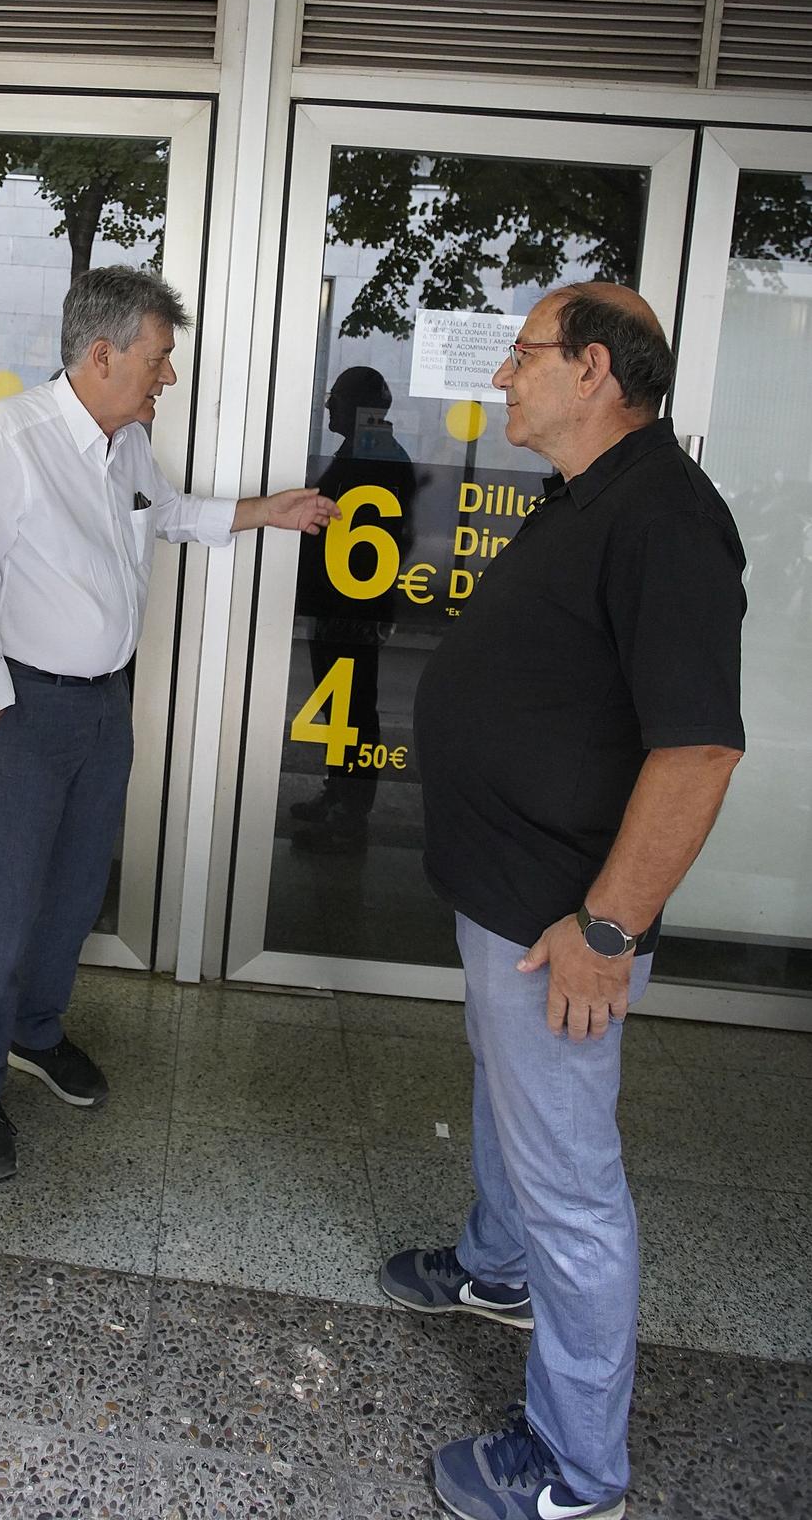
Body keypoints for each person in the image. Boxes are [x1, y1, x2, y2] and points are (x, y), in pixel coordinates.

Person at [380, 283, 745, 1520]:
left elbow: (696, 751)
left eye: (521, 355)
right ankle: (492, 1264)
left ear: (592, 368)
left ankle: (577, 1465)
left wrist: (605, 928)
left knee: (573, 1184)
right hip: (511, 896)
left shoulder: (667, 522)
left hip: (563, 922)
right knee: (506, 1094)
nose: (501, 378)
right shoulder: (588, 496)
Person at [0, 264, 337, 1182]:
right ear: (102, 352)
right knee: (7, 907)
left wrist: (264, 513)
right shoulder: (12, 437)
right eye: (157, 359)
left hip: (105, 703)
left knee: (76, 892)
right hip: (22, 712)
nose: (167, 377)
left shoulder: (125, 444)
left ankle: (37, 1035)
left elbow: (166, 515)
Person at [291, 366, 415, 847]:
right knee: (341, 708)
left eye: (336, 398)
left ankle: (350, 814)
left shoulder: (375, 457)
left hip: (352, 606)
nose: (328, 406)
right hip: (340, 603)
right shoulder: (364, 452)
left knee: (354, 709)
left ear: (361, 407)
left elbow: (385, 540)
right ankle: (338, 794)